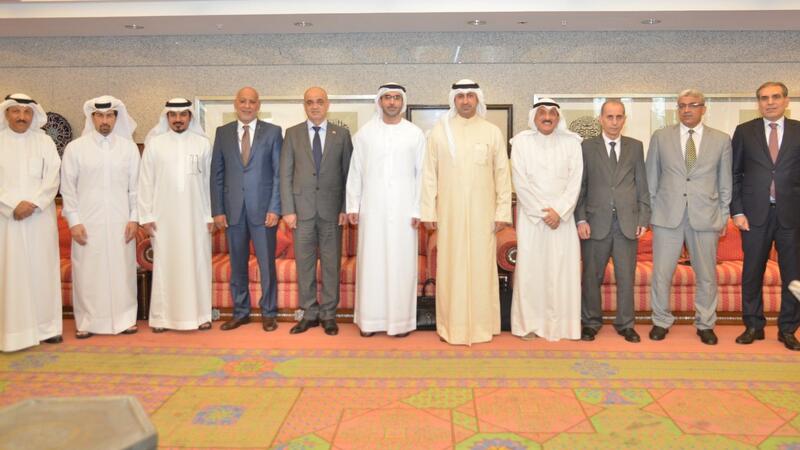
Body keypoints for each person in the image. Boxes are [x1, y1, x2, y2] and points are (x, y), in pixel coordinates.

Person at [420, 79, 512, 345]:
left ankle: (483, 327)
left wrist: (502, 212)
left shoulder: (492, 132)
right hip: (449, 215)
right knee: (451, 269)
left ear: (478, 99)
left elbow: (502, 175)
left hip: (484, 215)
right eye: (460, 96)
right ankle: (451, 327)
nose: (466, 101)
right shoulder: (439, 132)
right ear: (454, 100)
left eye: (470, 95)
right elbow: (429, 175)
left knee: (482, 269)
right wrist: (429, 212)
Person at [646, 89, 732, 345]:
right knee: (661, 274)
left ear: (703, 108)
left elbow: (725, 182)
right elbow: (652, 178)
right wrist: (653, 212)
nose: (686, 110)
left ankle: (705, 323)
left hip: (705, 216)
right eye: (682, 105)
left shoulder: (721, 139)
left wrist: (723, 216)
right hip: (667, 216)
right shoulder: (661, 137)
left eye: (693, 105)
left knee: (706, 275)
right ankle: (661, 321)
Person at [346, 83, 426, 338]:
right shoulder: (365, 134)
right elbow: (356, 172)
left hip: (405, 213)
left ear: (403, 102)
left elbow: (422, 174)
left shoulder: (415, 134)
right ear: (379, 102)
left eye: (396, 98)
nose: (392, 102)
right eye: (387, 98)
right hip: (372, 211)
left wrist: (418, 209)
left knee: (401, 265)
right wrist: (353, 205)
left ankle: (400, 323)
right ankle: (369, 322)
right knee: (372, 264)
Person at [60, 95, 141, 339]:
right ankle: (87, 322)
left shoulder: (128, 148)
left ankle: (126, 320)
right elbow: (68, 189)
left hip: (121, 222)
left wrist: (134, 218)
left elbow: (136, 189)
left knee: (122, 271)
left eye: (109, 116)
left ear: (116, 118)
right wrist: (74, 222)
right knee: (88, 273)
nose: (104, 121)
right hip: (87, 223)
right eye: (99, 116)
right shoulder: (76, 148)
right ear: (91, 117)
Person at [731, 81, 800, 351]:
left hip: (791, 216)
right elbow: (734, 174)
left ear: (786, 100)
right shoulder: (744, 131)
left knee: (793, 275)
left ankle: (788, 329)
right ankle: (753, 325)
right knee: (752, 272)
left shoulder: (798, 130)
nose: (769, 102)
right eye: (763, 98)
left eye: (775, 97)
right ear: (758, 102)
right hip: (753, 216)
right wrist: (737, 211)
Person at [280, 87, 353, 336]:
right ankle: (309, 313)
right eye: (309, 102)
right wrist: (288, 210)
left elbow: (348, 175)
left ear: (327, 104)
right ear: (304, 105)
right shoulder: (292, 134)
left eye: (319, 101)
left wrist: (345, 208)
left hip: (332, 212)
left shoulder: (341, 134)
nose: (314, 106)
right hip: (301, 213)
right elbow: (285, 174)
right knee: (305, 265)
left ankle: (329, 315)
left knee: (331, 265)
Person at [576, 99, 650, 343]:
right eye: (610, 117)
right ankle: (591, 323)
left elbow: (642, 185)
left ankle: (626, 324)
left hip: (627, 223)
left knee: (626, 277)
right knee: (591, 277)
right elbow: (580, 187)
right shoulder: (586, 147)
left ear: (624, 120)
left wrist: (643, 217)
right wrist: (580, 219)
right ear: (601, 119)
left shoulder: (635, 146)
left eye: (619, 117)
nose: (614, 122)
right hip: (595, 223)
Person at [509, 99, 582, 341]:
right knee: (531, 273)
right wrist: (543, 213)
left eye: (552, 113)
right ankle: (528, 325)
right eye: (542, 112)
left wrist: (558, 212)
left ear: (558, 117)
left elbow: (575, 181)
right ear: (534, 117)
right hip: (532, 220)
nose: (547, 117)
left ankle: (563, 327)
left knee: (562, 272)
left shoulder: (572, 143)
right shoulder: (521, 142)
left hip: (563, 220)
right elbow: (520, 182)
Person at [211, 87, 283, 332]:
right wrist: (218, 210)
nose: (247, 106)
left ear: (258, 105)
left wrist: (275, 207)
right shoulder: (222, 133)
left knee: (266, 265)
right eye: (243, 101)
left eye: (252, 102)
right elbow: (217, 174)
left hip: (264, 212)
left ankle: (269, 313)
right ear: (236, 103)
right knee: (237, 265)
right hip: (233, 212)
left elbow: (278, 174)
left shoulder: (273, 132)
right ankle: (240, 312)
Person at [138, 98, 213, 333]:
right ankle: (162, 318)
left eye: (183, 115)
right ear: (167, 117)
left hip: (196, 217)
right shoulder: (155, 144)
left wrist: (210, 215)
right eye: (173, 115)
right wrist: (146, 215)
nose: (178, 119)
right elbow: (145, 181)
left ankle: (201, 316)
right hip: (163, 218)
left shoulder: (203, 144)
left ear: (190, 117)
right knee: (165, 265)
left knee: (198, 264)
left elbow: (209, 183)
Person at [0, 93, 62, 351]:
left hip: (39, 217)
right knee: (10, 273)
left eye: (26, 112)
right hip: (6, 220)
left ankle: (48, 329)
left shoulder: (44, 141)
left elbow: (53, 176)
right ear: (6, 113)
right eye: (16, 111)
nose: (22, 117)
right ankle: (11, 333)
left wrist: (33, 203)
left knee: (42, 270)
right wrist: (11, 205)